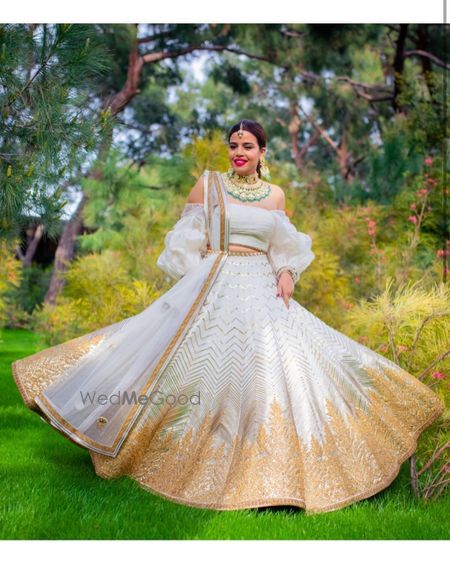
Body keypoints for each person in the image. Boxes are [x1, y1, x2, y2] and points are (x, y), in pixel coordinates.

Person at [12, 119, 444, 514]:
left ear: (262, 152)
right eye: (234, 145)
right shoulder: (209, 185)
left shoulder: (276, 195)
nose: (239, 152)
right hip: (214, 283)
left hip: (262, 287)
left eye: (249, 146)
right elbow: (185, 241)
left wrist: (288, 272)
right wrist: (190, 288)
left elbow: (284, 246)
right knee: (199, 370)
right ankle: (163, 448)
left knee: (278, 372)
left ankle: (275, 473)